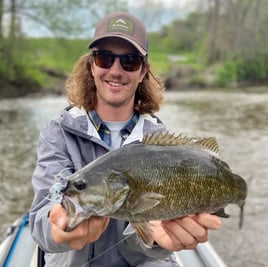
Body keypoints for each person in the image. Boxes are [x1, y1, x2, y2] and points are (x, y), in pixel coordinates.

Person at [29, 11, 222, 267]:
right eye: (104, 58)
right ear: (92, 66)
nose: (115, 70)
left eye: (129, 61)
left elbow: (155, 231)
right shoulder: (58, 132)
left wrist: (154, 238)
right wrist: (57, 229)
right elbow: (45, 211)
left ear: (143, 71)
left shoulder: (159, 141)